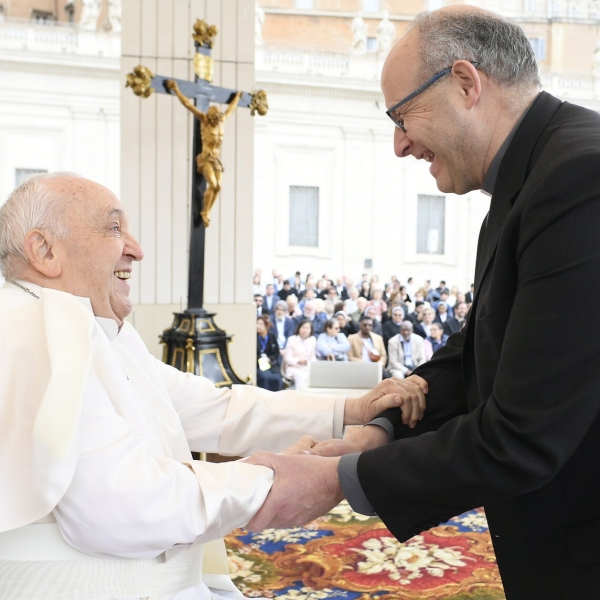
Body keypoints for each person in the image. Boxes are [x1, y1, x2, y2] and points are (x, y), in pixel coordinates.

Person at [245, 6, 600, 598]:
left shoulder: (580, 178)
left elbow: (522, 435)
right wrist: (381, 431)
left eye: (402, 114)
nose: (399, 144)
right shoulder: (534, 176)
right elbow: (478, 351)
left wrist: (337, 479)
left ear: (465, 83)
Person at [0, 173, 424, 600]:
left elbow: (214, 408)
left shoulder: (85, 326)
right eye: (113, 228)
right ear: (44, 250)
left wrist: (351, 411)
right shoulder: (35, 329)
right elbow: (123, 504)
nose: (137, 249)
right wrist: (271, 478)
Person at [165, 80, 242, 228]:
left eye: (218, 116)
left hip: (216, 159)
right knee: (213, 184)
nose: (217, 119)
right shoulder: (204, 121)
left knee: (219, 186)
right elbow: (187, 104)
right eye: (215, 116)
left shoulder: (222, 121)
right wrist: (176, 89)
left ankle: (207, 211)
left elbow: (230, 109)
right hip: (205, 158)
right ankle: (205, 212)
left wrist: (237, 97)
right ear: (211, 115)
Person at [282, 320, 316, 388]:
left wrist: (309, 362)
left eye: (307, 328)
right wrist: (299, 361)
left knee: (314, 376)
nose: (305, 330)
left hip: (307, 367)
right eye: (303, 327)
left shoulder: (312, 339)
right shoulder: (292, 339)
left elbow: (313, 357)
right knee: (301, 377)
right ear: (299, 328)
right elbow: (287, 358)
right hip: (294, 367)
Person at [256, 315, 283, 391]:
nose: (257, 326)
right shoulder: (254, 337)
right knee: (264, 377)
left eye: (260, 324)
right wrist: (260, 359)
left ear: (266, 326)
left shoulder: (271, 336)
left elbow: (276, 352)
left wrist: (269, 358)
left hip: (271, 363)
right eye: (257, 323)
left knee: (277, 377)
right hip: (258, 364)